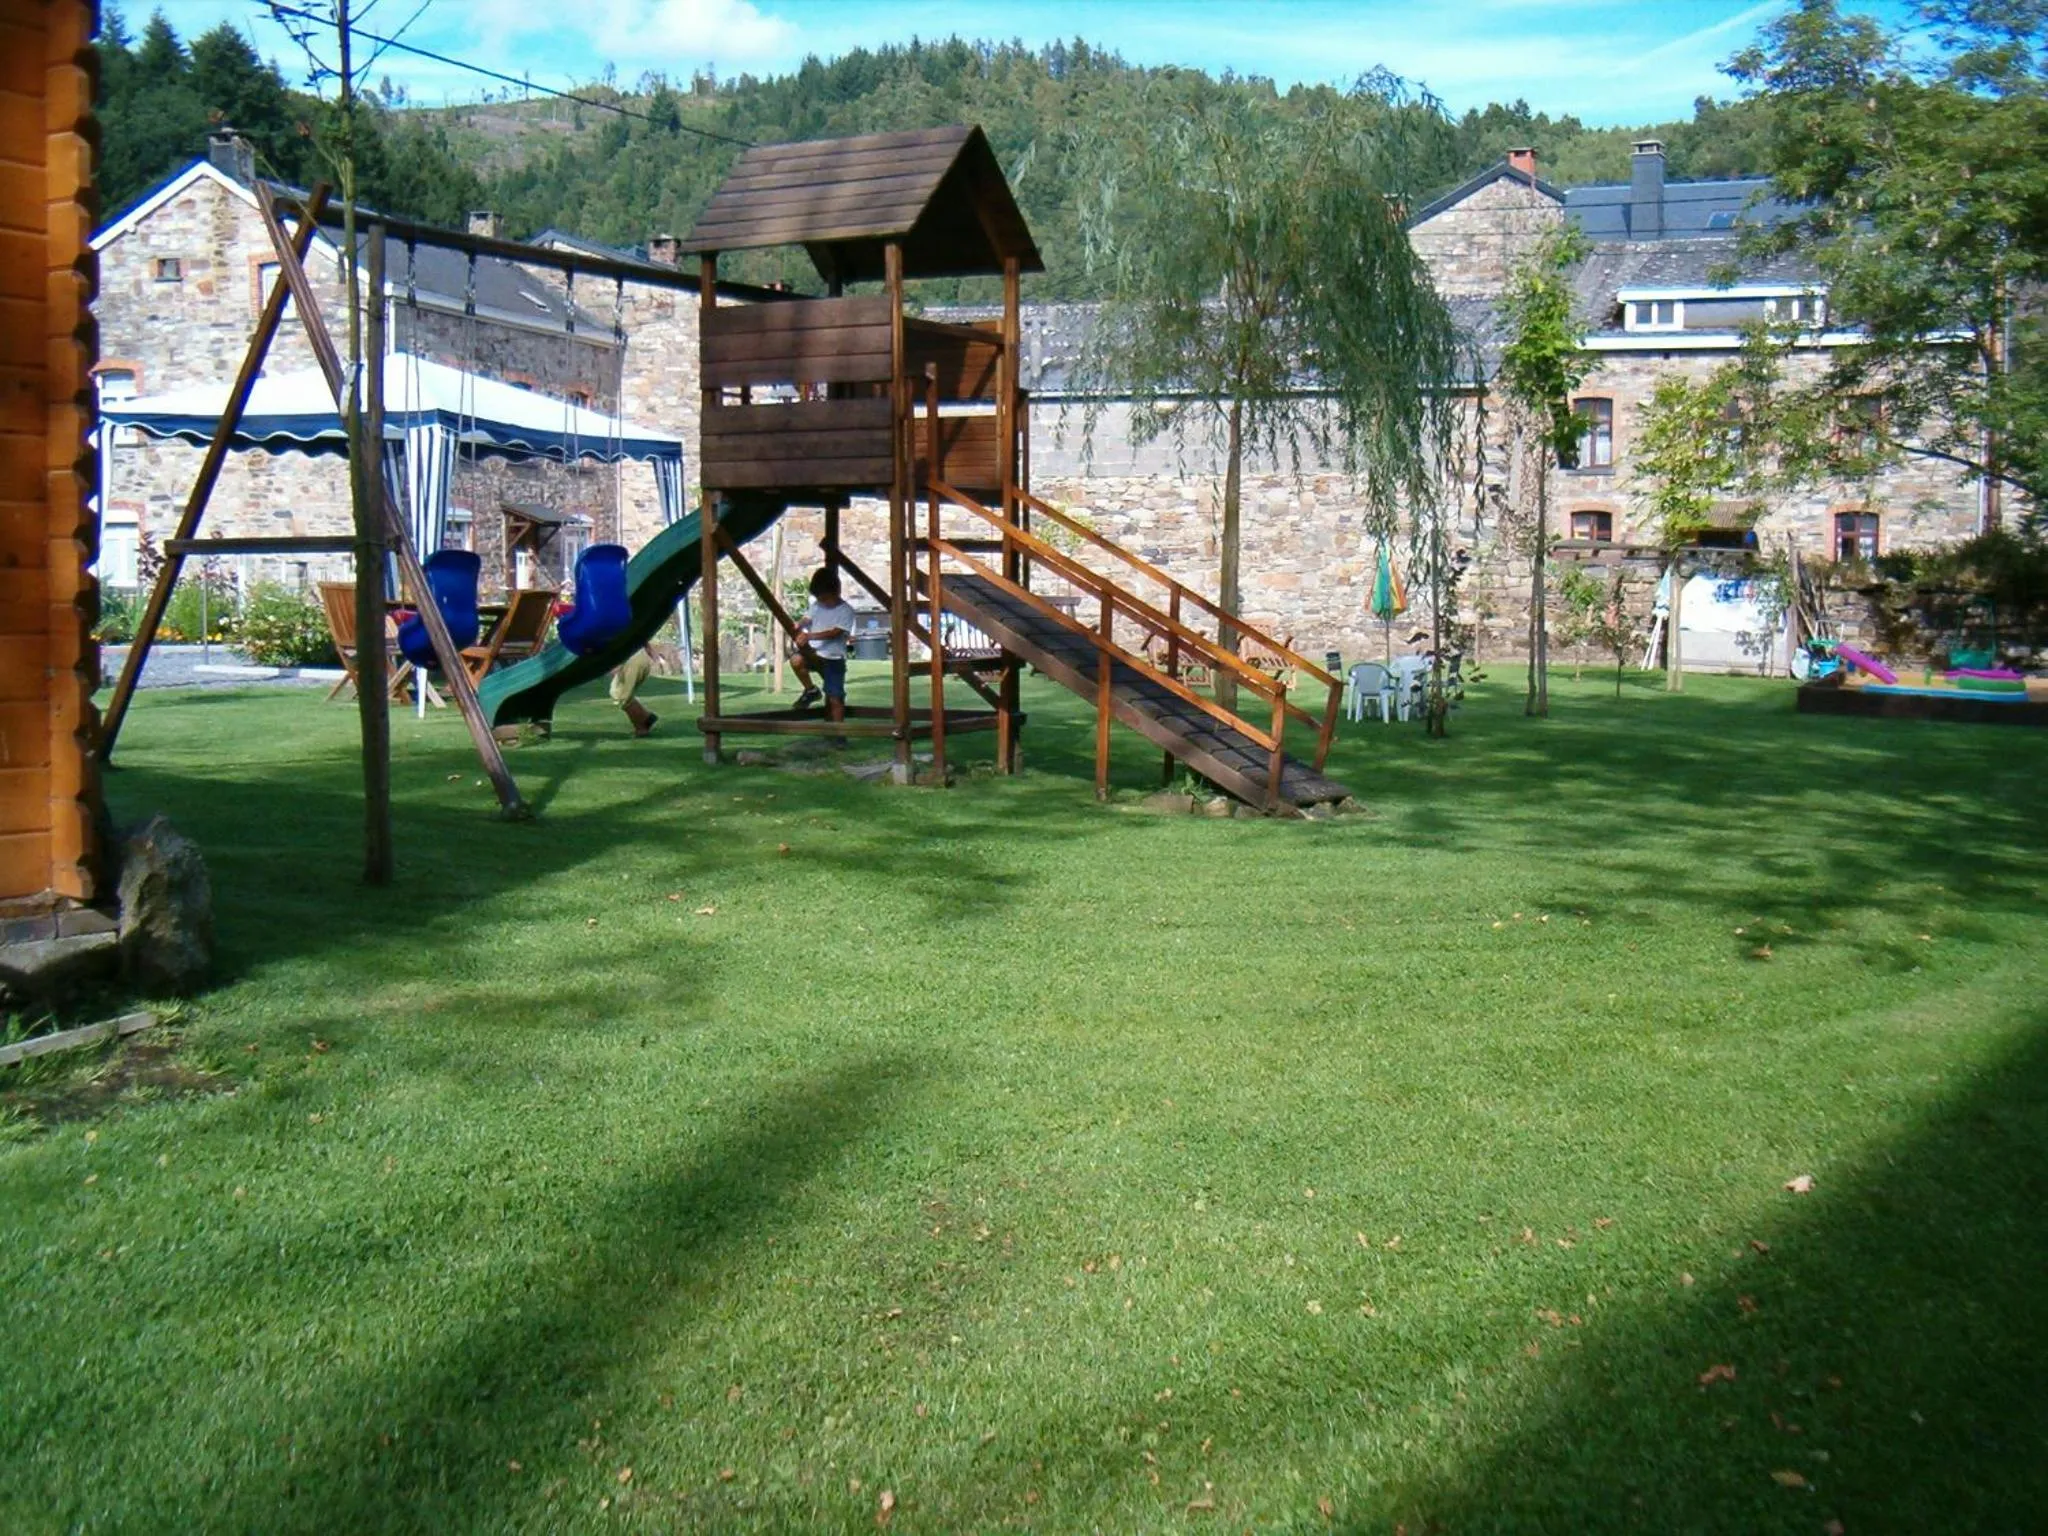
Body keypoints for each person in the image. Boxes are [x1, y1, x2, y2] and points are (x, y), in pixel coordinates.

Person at [791, 566, 855, 725]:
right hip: (813, 654)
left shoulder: (845, 611)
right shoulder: (816, 606)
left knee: (835, 697)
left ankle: (839, 733)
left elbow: (835, 632)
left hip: (833, 658)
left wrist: (809, 635)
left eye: (825, 598)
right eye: (819, 598)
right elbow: (807, 618)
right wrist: (799, 625)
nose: (822, 601)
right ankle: (811, 690)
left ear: (836, 592)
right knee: (796, 660)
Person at [609, 645, 658, 737]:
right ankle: (646, 718)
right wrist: (651, 653)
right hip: (640, 657)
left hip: (631, 659)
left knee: (620, 695)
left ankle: (642, 726)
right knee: (622, 694)